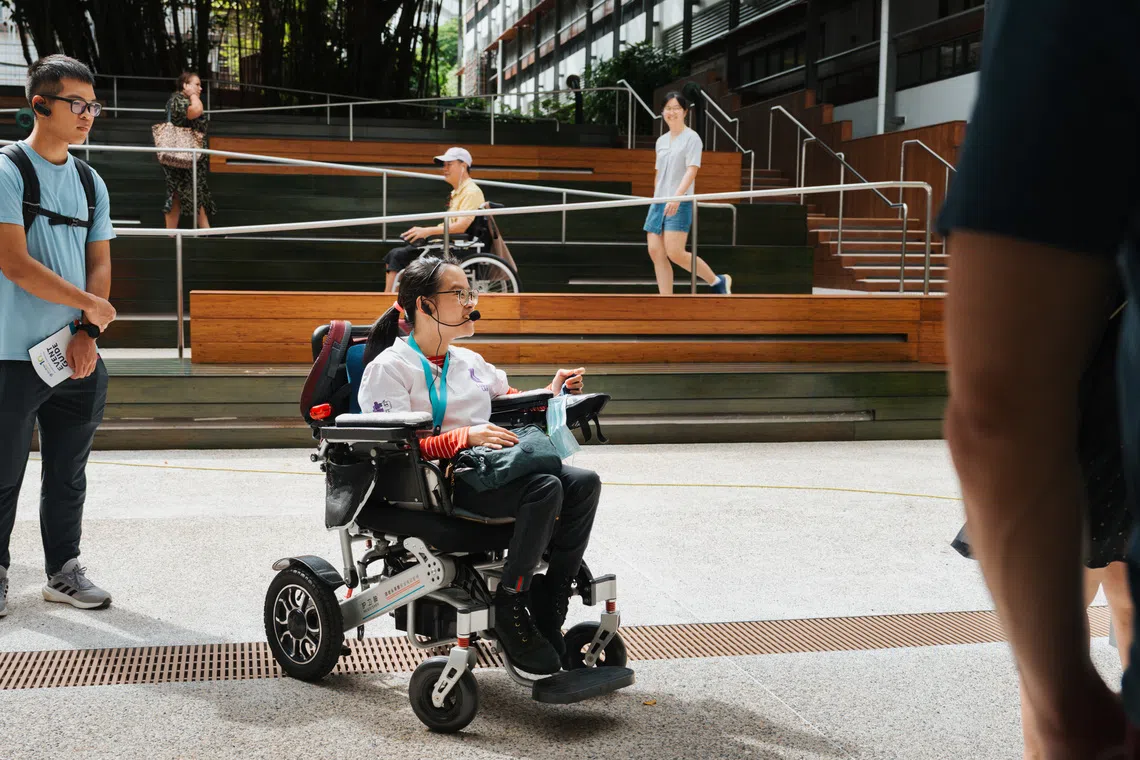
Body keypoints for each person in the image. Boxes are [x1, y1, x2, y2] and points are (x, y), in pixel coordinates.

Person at [939, 0, 1140, 755]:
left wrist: (1066, 707)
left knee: (1075, 635)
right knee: (1106, 591)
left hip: (1091, 414)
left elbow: (997, 402)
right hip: (1093, 412)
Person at [358, 254, 598, 675]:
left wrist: (553, 391)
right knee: (545, 487)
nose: (472, 302)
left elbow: (512, 400)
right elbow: (396, 446)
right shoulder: (388, 369)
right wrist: (463, 437)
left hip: (488, 468)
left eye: (471, 292)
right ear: (424, 305)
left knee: (583, 483)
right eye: (460, 294)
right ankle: (511, 603)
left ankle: (552, 596)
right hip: (437, 483)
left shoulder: (469, 361)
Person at [0, 55, 118, 617]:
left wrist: (87, 330)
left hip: (76, 352)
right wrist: (89, 305)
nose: (87, 114)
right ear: (40, 105)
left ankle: (63, 572)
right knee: (3, 474)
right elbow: (13, 263)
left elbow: (100, 262)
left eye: (93, 105)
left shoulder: (91, 182)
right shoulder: (7, 171)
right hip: (10, 354)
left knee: (68, 474)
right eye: (77, 104)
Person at [643, 91, 731, 296]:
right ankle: (666, 300)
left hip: (679, 201)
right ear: (662, 112)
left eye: (676, 108)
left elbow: (692, 170)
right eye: (668, 108)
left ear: (685, 112)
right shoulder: (661, 141)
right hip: (659, 201)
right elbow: (658, 173)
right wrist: (656, 197)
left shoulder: (692, 138)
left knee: (675, 252)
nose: (671, 112)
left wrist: (677, 197)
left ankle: (717, 281)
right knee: (655, 251)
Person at [384, 147, 484, 292]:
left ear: (463, 166)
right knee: (396, 255)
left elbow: (461, 227)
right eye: (444, 165)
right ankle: (390, 297)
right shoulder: (457, 192)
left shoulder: (471, 192)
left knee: (398, 255)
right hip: (443, 243)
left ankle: (387, 298)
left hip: (454, 247)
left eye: (449, 164)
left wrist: (427, 231)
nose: (444, 169)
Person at [162, 72, 215, 229]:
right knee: (176, 194)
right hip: (181, 157)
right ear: (185, 85)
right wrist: (193, 96)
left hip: (190, 157)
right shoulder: (177, 100)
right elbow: (195, 111)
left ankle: (205, 231)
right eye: (196, 84)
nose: (200, 88)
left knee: (194, 192)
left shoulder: (182, 100)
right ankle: (172, 235)